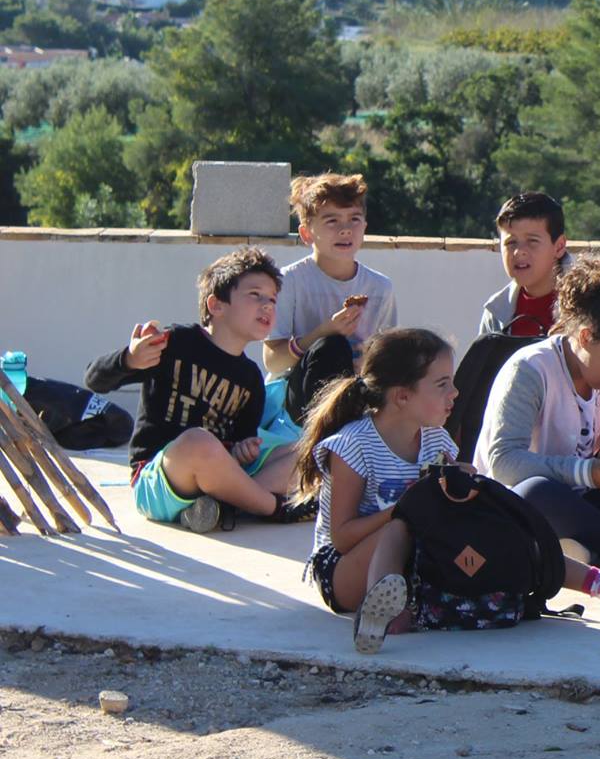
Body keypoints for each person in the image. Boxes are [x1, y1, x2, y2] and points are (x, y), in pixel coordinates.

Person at [472, 256, 600, 629]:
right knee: (536, 492)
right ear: (584, 337)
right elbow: (504, 463)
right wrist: (586, 473)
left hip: (583, 506)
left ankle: (597, 552)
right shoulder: (530, 370)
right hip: (524, 510)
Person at [83, 248, 309, 532]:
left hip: (220, 477)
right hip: (160, 477)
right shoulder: (175, 342)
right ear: (216, 305)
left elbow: (239, 445)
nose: (267, 306)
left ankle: (218, 507)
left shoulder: (251, 378)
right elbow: (94, 380)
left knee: (312, 451)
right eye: (255, 295)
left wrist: (243, 450)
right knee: (198, 443)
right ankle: (273, 507)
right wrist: (130, 359)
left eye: (273, 300)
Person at [290, 328, 457, 654]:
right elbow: (341, 537)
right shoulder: (354, 445)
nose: (456, 392)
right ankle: (378, 615)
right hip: (343, 571)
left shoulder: (437, 440)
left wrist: (461, 488)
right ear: (402, 396)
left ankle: (585, 580)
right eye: (442, 384)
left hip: (413, 562)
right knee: (400, 525)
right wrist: (402, 509)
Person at [266, 173, 399, 423]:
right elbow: (273, 362)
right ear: (306, 234)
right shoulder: (289, 281)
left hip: (356, 393)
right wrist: (322, 332)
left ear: (364, 228)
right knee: (331, 347)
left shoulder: (381, 287)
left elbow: (386, 361)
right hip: (296, 404)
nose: (345, 229)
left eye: (354, 219)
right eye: (332, 220)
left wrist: (366, 360)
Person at [479, 192, 570, 338]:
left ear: (559, 247)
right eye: (511, 243)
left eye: (532, 241)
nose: (519, 252)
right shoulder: (496, 313)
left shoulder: (590, 305)